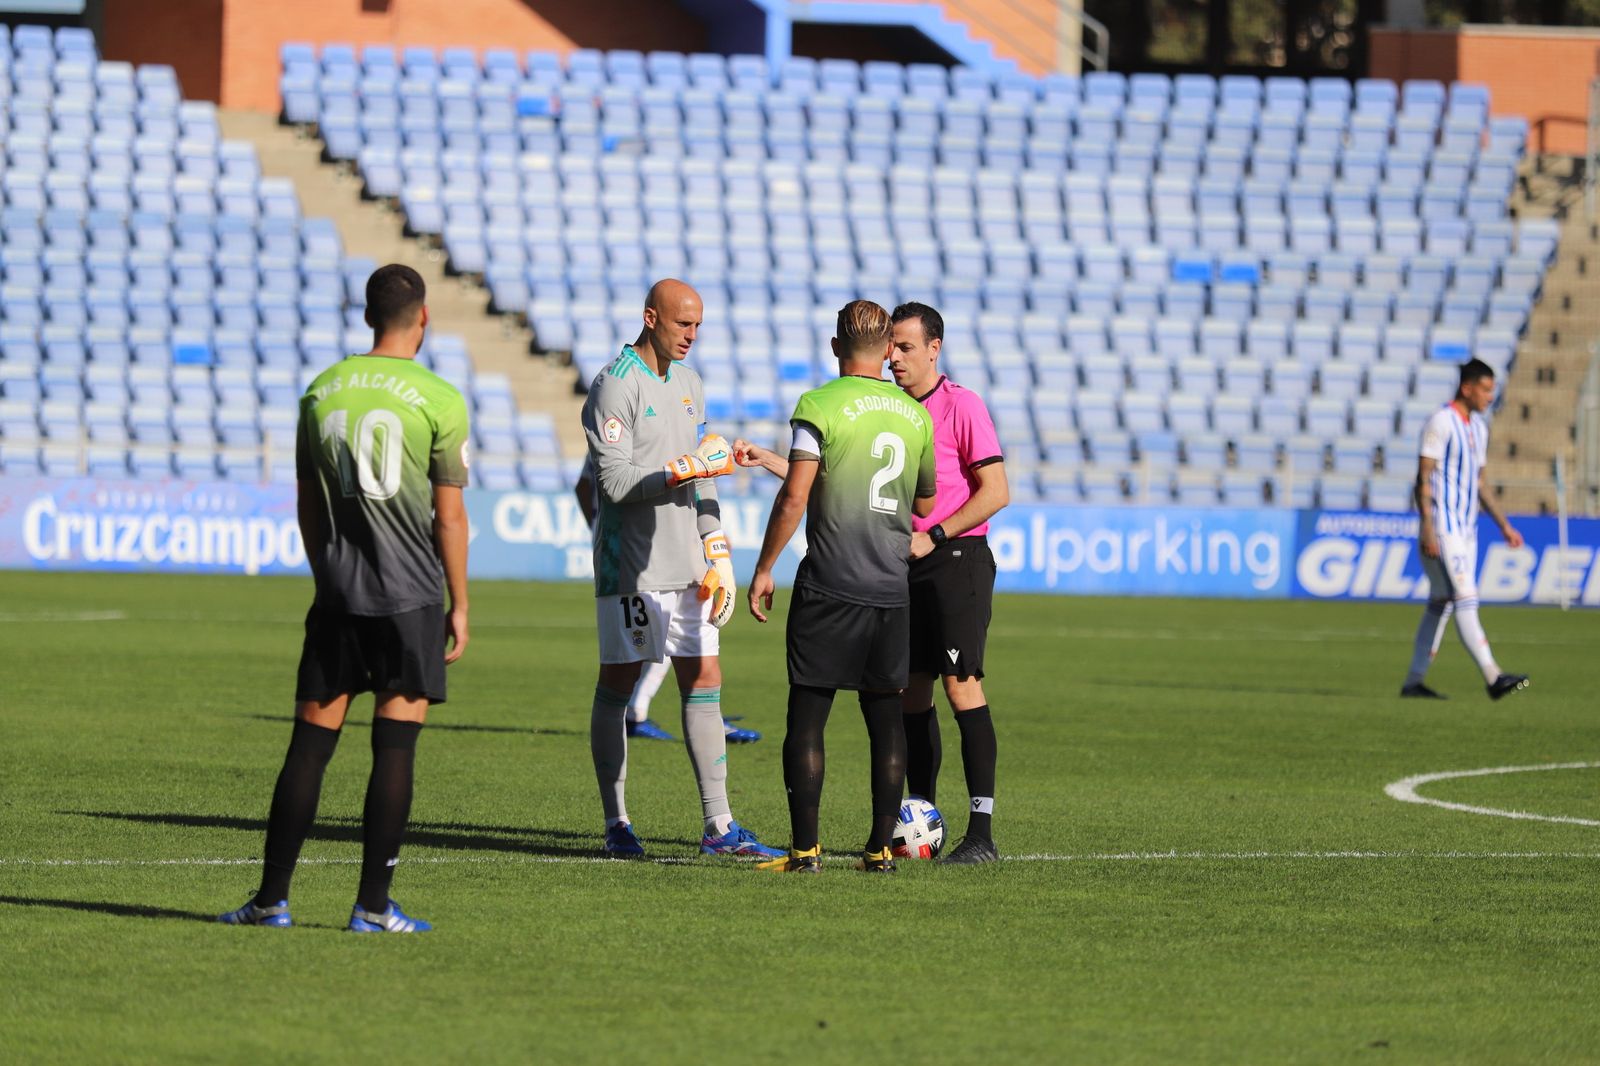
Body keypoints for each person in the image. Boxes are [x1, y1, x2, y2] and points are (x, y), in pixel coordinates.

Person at [219, 264, 470, 933]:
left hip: (338, 596)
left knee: (308, 747)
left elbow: (306, 502)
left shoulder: (322, 390)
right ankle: (372, 908)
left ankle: (271, 900)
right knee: (394, 749)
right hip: (411, 596)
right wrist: (461, 603)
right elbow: (449, 517)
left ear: (367, 317)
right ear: (422, 318)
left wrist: (325, 572)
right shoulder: (440, 399)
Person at [579, 278, 782, 859]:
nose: (691, 335)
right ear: (650, 317)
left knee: (706, 682)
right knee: (617, 686)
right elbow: (614, 485)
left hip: (689, 568)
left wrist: (716, 548)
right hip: (633, 570)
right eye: (681, 324)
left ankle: (719, 827)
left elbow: (707, 475)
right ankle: (616, 824)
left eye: (697, 325)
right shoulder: (614, 386)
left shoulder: (691, 383)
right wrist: (686, 467)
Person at [746, 300, 937, 874]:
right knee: (885, 721)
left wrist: (763, 568)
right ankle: (880, 851)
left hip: (830, 585)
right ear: (886, 351)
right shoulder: (914, 416)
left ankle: (805, 852)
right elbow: (924, 501)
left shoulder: (818, 405)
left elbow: (797, 495)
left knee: (807, 719)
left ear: (835, 347)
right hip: (890, 589)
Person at [886, 302, 1008, 864]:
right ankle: (922, 819)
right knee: (911, 691)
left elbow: (995, 491)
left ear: (934, 348)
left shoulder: (963, 405)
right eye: (890, 346)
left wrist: (934, 534)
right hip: (903, 563)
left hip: (956, 558)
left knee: (961, 686)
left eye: (906, 347)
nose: (894, 358)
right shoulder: (887, 409)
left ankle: (981, 834)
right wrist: (774, 460)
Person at [575, 456, 761, 744]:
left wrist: (599, 529)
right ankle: (688, 717)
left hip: (632, 541)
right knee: (676, 634)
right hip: (660, 541)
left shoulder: (611, 441)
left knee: (657, 638)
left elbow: (583, 487)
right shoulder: (659, 433)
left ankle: (645, 712)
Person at [1400, 358, 1529, 700]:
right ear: (1467, 387)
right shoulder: (1441, 422)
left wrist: (1504, 525)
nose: (1491, 396)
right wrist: (1427, 526)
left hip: (1466, 530)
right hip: (1443, 528)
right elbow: (1422, 478)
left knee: (1440, 603)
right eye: (1486, 389)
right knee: (1466, 598)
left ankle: (1414, 682)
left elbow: (1480, 484)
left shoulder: (1478, 428)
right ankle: (1493, 676)